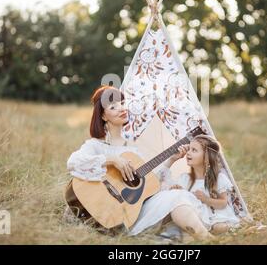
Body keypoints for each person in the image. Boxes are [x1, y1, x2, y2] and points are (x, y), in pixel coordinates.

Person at [65, 85, 212, 240]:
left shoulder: (133, 150)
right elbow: (73, 163)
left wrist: (171, 160)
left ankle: (208, 240)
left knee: (177, 196)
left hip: (135, 213)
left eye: (122, 103)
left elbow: (148, 185)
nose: (121, 109)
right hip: (117, 216)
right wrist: (113, 160)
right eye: (113, 107)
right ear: (103, 116)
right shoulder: (95, 146)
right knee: (176, 200)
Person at [159, 134, 240, 235]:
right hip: (195, 218)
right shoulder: (185, 178)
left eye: (194, 150)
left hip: (215, 217)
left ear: (206, 157)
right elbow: (161, 178)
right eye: (189, 149)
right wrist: (172, 160)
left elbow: (223, 203)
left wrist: (206, 199)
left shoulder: (218, 179)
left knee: (220, 227)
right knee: (178, 228)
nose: (188, 153)